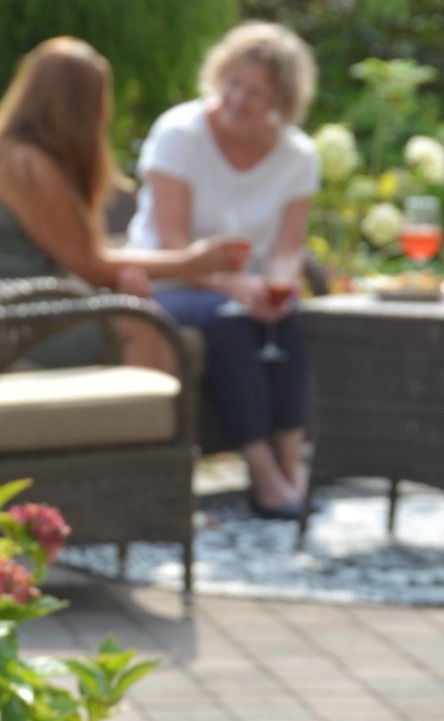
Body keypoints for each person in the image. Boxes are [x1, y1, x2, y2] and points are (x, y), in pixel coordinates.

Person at [0, 37, 241, 374]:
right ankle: (145, 427)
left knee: (139, 314)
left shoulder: (6, 151)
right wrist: (192, 262)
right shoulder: (28, 166)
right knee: (143, 326)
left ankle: (135, 424)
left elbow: (84, 255)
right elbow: (92, 265)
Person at [127, 22, 319, 519]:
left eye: (256, 92)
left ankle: (292, 463)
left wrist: (278, 287)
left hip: (242, 287)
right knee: (229, 320)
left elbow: (288, 246)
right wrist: (238, 287)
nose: (238, 98)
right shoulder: (180, 133)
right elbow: (172, 241)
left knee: (287, 319)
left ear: (282, 99)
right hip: (168, 280)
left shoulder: (298, 155)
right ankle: (261, 469)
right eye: (233, 82)